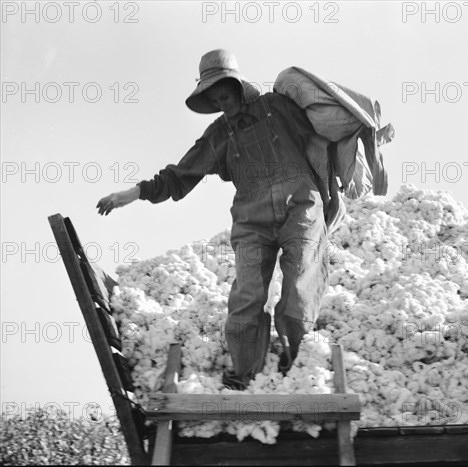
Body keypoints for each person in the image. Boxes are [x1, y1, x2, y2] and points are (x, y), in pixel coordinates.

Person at [96, 49, 330, 390]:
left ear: (238, 87)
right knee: (247, 297)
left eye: (225, 92)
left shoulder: (277, 108)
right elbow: (179, 176)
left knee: (298, 286)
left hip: (301, 206)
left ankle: (296, 365)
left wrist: (364, 133)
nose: (223, 101)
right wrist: (131, 194)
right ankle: (245, 376)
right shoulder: (218, 135)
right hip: (251, 220)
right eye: (215, 97)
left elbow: (326, 123)